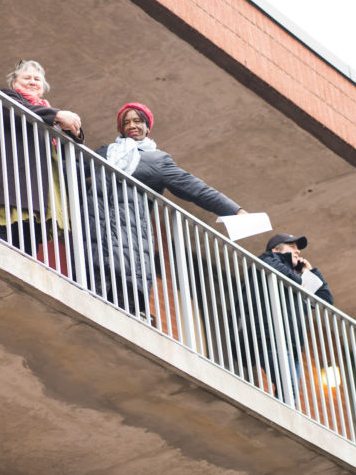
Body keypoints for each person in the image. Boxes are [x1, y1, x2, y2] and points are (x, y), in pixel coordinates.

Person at [88, 102, 247, 317]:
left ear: (147, 127)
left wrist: (234, 211)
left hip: (131, 233)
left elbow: (196, 189)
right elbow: (73, 166)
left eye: (137, 120)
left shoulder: (157, 160)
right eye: (126, 122)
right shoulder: (106, 152)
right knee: (92, 274)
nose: (131, 125)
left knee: (124, 282)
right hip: (95, 224)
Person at [0, 59, 84, 257]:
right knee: (3, 241)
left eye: (37, 79)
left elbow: (71, 141)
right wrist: (58, 115)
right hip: (8, 186)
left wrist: (72, 128)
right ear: (14, 83)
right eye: (27, 77)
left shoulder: (46, 115)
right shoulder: (5, 97)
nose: (33, 81)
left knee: (27, 248)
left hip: (34, 194)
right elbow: (21, 112)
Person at [242, 233, 333, 404]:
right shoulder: (268, 260)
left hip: (293, 346)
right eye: (292, 247)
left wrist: (310, 271)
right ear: (277, 250)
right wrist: (299, 280)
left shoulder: (294, 280)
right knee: (288, 393)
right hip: (270, 338)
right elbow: (273, 265)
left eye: (298, 248)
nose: (297, 251)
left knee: (290, 396)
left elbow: (326, 299)